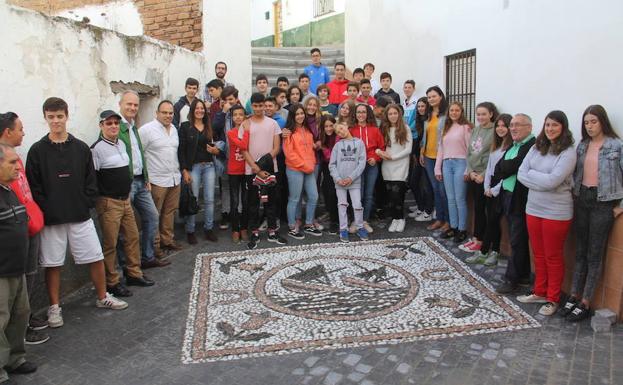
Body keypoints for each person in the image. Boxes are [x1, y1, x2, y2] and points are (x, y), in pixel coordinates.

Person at [26, 97, 128, 329]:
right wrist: (48, 208)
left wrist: (85, 203)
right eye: (51, 117)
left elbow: (91, 181)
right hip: (52, 220)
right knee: (53, 264)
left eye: (59, 116)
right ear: (45, 118)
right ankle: (54, 307)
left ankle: (102, 297)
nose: (56, 121)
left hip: (80, 215)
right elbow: (35, 187)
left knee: (95, 256)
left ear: (66, 116)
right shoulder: (37, 150)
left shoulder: (81, 148)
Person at [561, 105, 623, 322]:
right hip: (582, 199)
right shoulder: (583, 145)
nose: (589, 126)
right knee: (580, 250)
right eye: (586, 122)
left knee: (594, 254)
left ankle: (586, 301)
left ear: (602, 121)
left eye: (593, 121)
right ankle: (574, 294)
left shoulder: (616, 145)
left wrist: (620, 206)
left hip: (603, 202)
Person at [516, 110, 576, 316]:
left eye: (555, 125)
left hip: (556, 212)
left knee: (553, 255)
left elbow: (554, 181)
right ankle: (540, 291)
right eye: (548, 125)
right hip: (533, 208)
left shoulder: (568, 152)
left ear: (563, 128)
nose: (550, 129)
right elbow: (521, 174)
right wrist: (541, 178)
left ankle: (553, 298)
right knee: (539, 253)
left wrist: (534, 176)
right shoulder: (536, 147)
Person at [91, 110, 155, 298]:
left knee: (133, 237)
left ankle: (133, 273)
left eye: (115, 123)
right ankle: (112, 282)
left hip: (125, 199)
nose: (113, 126)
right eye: (108, 123)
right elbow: (92, 178)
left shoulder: (120, 144)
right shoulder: (96, 149)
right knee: (110, 244)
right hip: (109, 202)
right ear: (101, 126)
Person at [0, 113, 47, 344]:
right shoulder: (3, 161)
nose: (23, 133)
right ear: (7, 132)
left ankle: (26, 320)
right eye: (20, 129)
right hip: (16, 232)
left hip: (28, 225)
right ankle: (22, 327)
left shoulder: (14, 157)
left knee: (30, 274)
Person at [117, 91, 170, 270]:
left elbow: (140, 154)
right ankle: (127, 267)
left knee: (152, 217)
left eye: (135, 105)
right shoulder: (117, 126)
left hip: (141, 181)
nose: (132, 108)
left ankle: (147, 257)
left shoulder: (133, 127)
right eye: (129, 104)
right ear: (120, 104)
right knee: (125, 228)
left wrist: (146, 177)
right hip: (127, 183)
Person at [0, 143, 38, 383]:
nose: (18, 166)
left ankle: (15, 359)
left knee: (21, 314)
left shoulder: (9, 189)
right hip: (1, 271)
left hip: (17, 268)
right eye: (12, 162)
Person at [491, 113, 536, 294]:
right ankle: (523, 275)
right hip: (508, 195)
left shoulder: (530, 145)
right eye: (512, 125)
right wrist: (506, 168)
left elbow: (510, 167)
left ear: (529, 127)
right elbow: (498, 168)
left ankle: (512, 279)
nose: (513, 128)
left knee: (517, 239)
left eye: (518, 125)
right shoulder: (514, 144)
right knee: (516, 237)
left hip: (520, 198)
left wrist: (506, 168)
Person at [466, 113, 513, 267]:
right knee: (490, 219)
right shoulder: (496, 145)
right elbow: (490, 168)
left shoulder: (511, 147)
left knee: (494, 220)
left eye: (503, 126)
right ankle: (485, 251)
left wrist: (495, 189)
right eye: (498, 126)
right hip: (489, 186)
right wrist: (487, 186)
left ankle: (493, 251)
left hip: (500, 188)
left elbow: (509, 173)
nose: (500, 129)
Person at [242, 93, 287, 249]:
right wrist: (256, 168)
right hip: (252, 170)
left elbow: (276, 147)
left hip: (270, 170)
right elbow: (243, 149)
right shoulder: (246, 124)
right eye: (256, 105)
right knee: (253, 202)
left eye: (261, 105)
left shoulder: (273, 124)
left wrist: (264, 165)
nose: (259, 108)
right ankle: (254, 231)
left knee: (271, 202)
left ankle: (272, 230)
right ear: (252, 106)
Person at [139, 100, 184, 252]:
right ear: (156, 113)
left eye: (170, 113)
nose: (168, 116)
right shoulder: (146, 130)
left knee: (169, 212)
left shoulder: (174, 129)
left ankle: (167, 240)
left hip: (174, 178)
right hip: (156, 180)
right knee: (154, 215)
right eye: (164, 112)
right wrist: (145, 179)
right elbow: (139, 154)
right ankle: (155, 247)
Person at [178, 99, 223, 244]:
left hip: (209, 166)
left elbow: (218, 143)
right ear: (192, 110)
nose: (200, 111)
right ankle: (190, 230)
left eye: (202, 108)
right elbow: (181, 150)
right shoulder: (185, 127)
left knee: (210, 199)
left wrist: (216, 150)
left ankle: (208, 229)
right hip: (194, 167)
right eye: (197, 108)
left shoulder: (209, 127)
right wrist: (184, 170)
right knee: (194, 198)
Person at [461, 102, 499, 252]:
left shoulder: (495, 131)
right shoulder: (475, 130)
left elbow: (493, 155)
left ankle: (482, 240)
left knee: (484, 209)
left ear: (491, 114)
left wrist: (482, 175)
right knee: (477, 208)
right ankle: (476, 238)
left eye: (484, 114)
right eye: (478, 114)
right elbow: (469, 152)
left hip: (485, 177)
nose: (481, 117)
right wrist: (470, 171)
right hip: (473, 174)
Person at [434, 102, 472, 242]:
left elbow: (470, 150)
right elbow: (441, 149)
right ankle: (453, 227)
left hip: (460, 163)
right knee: (450, 198)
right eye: (452, 110)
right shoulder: (446, 127)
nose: (454, 113)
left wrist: (468, 169)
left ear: (461, 112)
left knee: (459, 198)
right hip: (447, 163)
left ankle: (462, 229)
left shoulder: (466, 128)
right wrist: (437, 167)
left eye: (457, 110)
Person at [282, 104, 320, 239]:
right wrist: (305, 165)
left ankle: (309, 224)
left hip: (309, 168)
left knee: (314, 196)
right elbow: (289, 154)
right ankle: (292, 227)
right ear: (292, 116)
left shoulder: (307, 130)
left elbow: (310, 150)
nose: (300, 116)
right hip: (295, 169)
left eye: (301, 113)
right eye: (297, 114)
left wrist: (311, 164)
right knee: (294, 199)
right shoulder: (288, 132)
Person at [349, 103, 385, 233]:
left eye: (363, 112)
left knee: (368, 194)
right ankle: (355, 220)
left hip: (371, 165)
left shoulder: (375, 129)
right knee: (357, 194)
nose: (361, 115)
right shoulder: (351, 129)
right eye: (358, 112)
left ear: (368, 114)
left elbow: (381, 147)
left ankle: (364, 221)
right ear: (355, 114)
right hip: (356, 167)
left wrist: (376, 158)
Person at [329, 122, 368, 242]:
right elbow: (332, 165)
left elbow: (362, 163)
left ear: (346, 125)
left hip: (354, 181)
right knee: (342, 205)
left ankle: (360, 226)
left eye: (341, 128)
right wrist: (338, 179)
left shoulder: (359, 143)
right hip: (340, 182)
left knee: (357, 205)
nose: (341, 132)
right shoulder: (337, 146)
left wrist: (351, 177)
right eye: (338, 132)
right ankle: (343, 229)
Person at [378, 104, 413, 232]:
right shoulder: (384, 128)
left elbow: (408, 149)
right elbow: (379, 146)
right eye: (390, 114)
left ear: (399, 114)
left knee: (398, 194)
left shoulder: (405, 128)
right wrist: (379, 152)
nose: (393, 116)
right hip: (386, 165)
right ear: (387, 116)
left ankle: (401, 218)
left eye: (395, 113)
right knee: (390, 195)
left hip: (400, 165)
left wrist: (393, 157)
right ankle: (395, 218)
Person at [420, 86, 450, 232]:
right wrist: (421, 152)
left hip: (442, 156)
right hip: (428, 156)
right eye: (429, 97)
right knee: (435, 188)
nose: (431, 99)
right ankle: (440, 218)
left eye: (433, 96)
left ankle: (449, 221)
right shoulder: (428, 114)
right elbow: (425, 136)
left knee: (443, 189)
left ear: (440, 96)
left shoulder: (447, 114)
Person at [407, 97, 434, 222]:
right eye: (418, 106)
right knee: (414, 183)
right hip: (417, 156)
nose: (420, 108)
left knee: (426, 185)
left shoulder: (429, 121)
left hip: (426, 155)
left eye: (423, 106)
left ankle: (427, 211)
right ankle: (421, 206)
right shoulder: (418, 120)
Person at [226, 105, 250, 244]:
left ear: (245, 116)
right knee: (234, 202)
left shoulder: (248, 131)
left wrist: (247, 131)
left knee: (246, 201)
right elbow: (243, 145)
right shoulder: (231, 132)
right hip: (234, 170)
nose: (238, 117)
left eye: (241, 114)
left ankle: (244, 228)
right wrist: (246, 131)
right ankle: (235, 229)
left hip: (246, 170)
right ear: (232, 117)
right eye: (235, 115)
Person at [319, 115, 339, 234]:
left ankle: (335, 221)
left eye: (331, 125)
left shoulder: (338, 137)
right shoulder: (322, 137)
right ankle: (331, 215)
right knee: (327, 191)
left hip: (337, 167)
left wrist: (322, 148)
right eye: (326, 126)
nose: (329, 128)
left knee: (333, 193)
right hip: (326, 168)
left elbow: (331, 156)